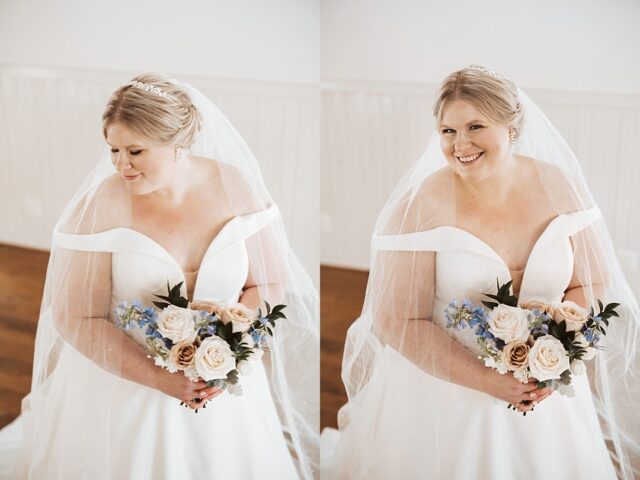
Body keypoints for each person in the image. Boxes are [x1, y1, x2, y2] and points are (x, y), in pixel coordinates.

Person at [324, 66, 639, 479]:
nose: (460, 144)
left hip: (547, 387)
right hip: (448, 393)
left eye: (475, 126)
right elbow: (397, 317)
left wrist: (555, 349)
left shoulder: (559, 185)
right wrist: (490, 380)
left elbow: (591, 280)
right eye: (448, 131)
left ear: (511, 127)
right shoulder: (419, 206)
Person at [1, 74, 319, 479]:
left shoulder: (235, 187)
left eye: (135, 150)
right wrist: (158, 377)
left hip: (223, 387)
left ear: (178, 145)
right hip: (126, 385)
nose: (120, 164)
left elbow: (267, 283)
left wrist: (229, 349)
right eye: (113, 149)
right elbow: (76, 317)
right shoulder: (100, 206)